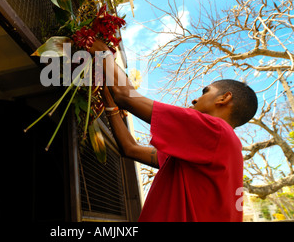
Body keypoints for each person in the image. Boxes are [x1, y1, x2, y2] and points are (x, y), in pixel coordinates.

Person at [89, 40, 258, 222]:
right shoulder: (218, 150)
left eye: (205, 92)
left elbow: (125, 95)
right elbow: (130, 148)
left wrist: (103, 53)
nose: (195, 100)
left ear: (224, 98)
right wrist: (110, 106)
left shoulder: (217, 131)